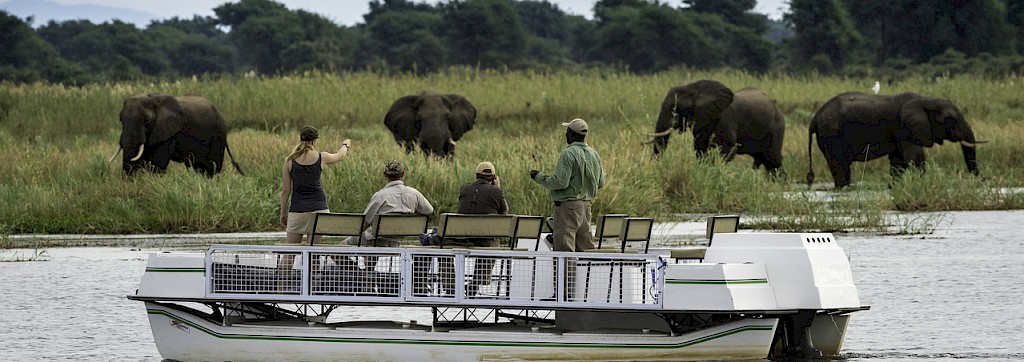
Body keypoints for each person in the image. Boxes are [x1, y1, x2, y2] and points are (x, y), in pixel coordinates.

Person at [277, 126, 351, 285]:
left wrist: (283, 213)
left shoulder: (289, 161)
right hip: (320, 210)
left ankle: (280, 288)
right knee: (314, 253)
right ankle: (312, 288)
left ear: (301, 139)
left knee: (290, 252)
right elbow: (340, 155)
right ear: (315, 141)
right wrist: (345, 144)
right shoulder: (321, 157)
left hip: (297, 210)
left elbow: (285, 190)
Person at [530, 118, 605, 252]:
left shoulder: (568, 154)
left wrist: (539, 177)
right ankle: (585, 274)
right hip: (586, 207)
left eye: (567, 131)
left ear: (571, 134)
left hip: (568, 208)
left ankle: (564, 274)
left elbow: (560, 183)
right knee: (585, 249)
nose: (565, 134)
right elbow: (600, 182)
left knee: (565, 249)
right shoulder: (594, 154)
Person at [442, 161, 509, 296]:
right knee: (492, 244)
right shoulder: (496, 192)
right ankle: (477, 282)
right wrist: (497, 187)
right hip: (485, 241)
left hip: (461, 239)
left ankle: (451, 287)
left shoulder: (464, 188)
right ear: (493, 177)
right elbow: (504, 213)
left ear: (476, 175)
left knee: (443, 250)